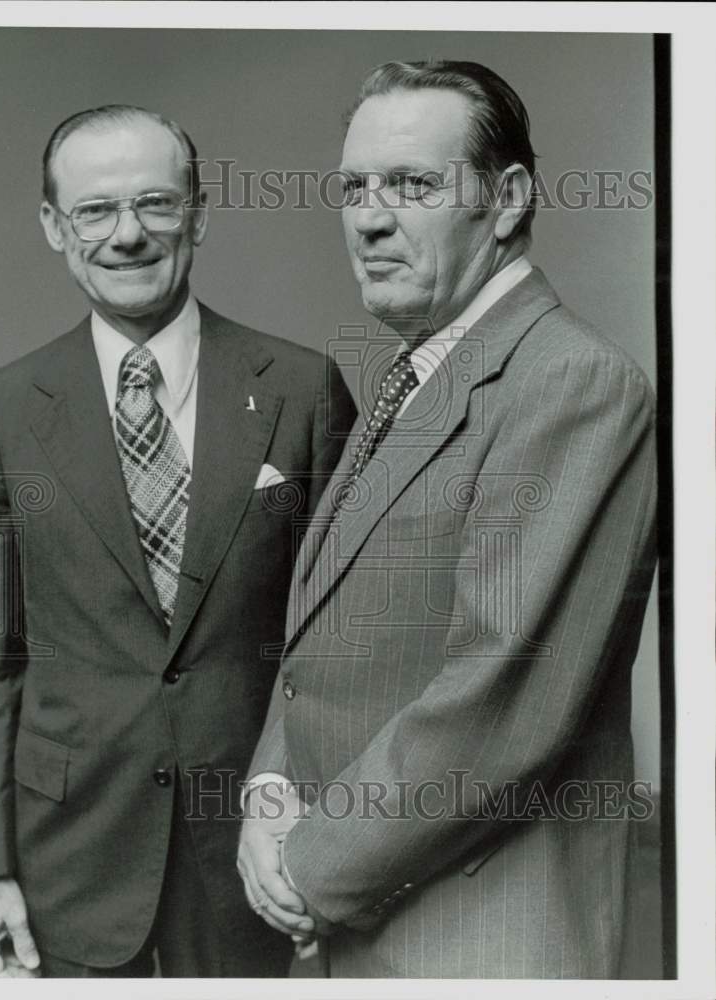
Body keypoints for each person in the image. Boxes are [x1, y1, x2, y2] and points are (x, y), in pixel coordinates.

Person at [239, 60, 657, 978]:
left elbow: (502, 695)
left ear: (506, 199)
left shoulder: (569, 382)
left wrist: (307, 863)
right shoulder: (415, 371)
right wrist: (272, 790)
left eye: (413, 184)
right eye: (353, 186)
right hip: (380, 924)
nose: (369, 217)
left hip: (482, 938)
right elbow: (321, 635)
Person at [0, 104, 355, 978]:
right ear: (55, 227)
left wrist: (326, 826)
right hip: (71, 848)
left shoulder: (301, 388)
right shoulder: (2, 410)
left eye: (155, 205)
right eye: (94, 210)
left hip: (255, 840)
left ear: (198, 214)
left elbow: (342, 639)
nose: (126, 235)